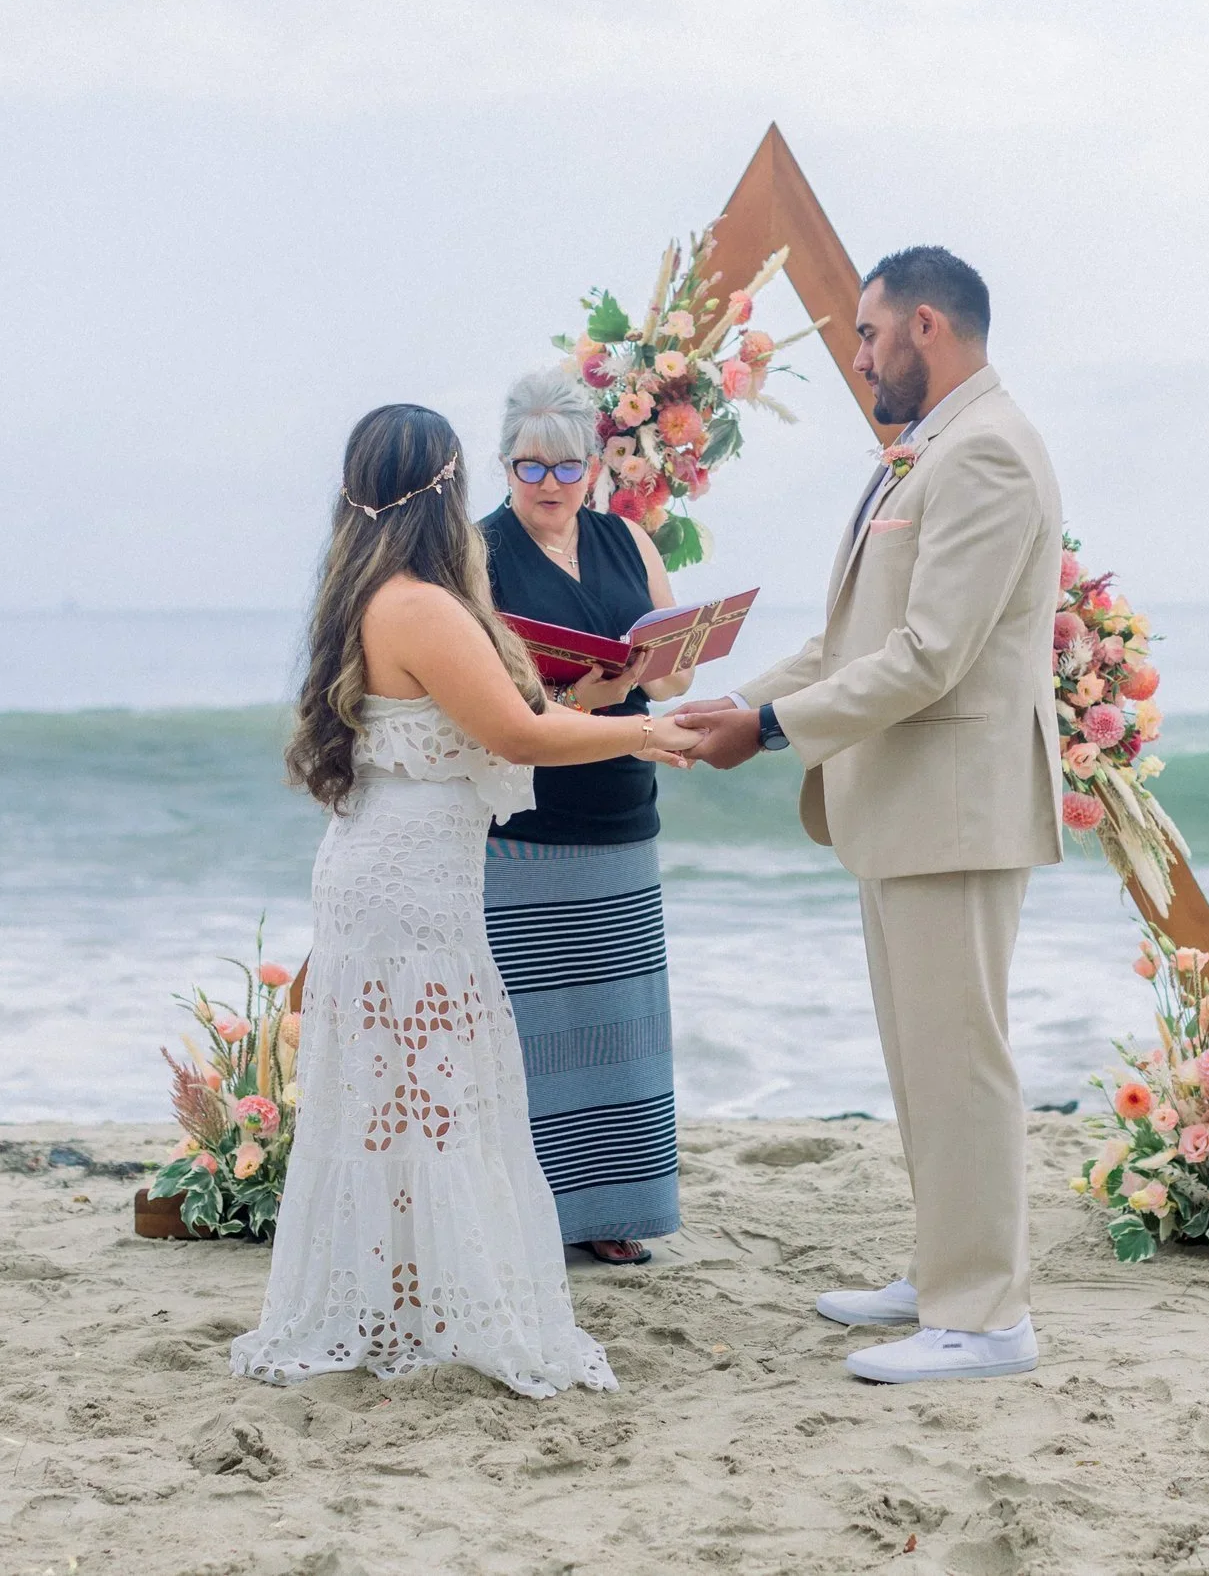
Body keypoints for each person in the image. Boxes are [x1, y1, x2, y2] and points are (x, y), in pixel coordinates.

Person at [229, 402, 699, 1399]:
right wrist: (644, 734)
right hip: (407, 887)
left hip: (389, 867)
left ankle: (406, 1293)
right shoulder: (422, 605)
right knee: (439, 1092)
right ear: (446, 487)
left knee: (401, 1092)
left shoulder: (365, 586)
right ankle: (437, 1304)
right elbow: (518, 732)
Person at [675, 247, 1062, 1385]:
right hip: (905, 808)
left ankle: (987, 1317)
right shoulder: (926, 451)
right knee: (919, 1059)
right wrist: (729, 703)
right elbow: (851, 642)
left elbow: (930, 655)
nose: (856, 357)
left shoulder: (985, 450)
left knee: (962, 1059)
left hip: (957, 807)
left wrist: (775, 731)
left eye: (866, 334)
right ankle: (944, 1272)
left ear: (926, 327)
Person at [478, 368, 696, 1267]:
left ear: (594, 468)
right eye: (530, 469)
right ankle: (535, 1213)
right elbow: (485, 695)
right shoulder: (476, 552)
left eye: (566, 470)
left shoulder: (626, 540)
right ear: (504, 465)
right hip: (526, 821)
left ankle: (615, 1211)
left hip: (621, 806)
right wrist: (580, 689)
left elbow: (676, 671)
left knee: (620, 1020)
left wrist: (632, 679)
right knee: (531, 1028)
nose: (550, 488)